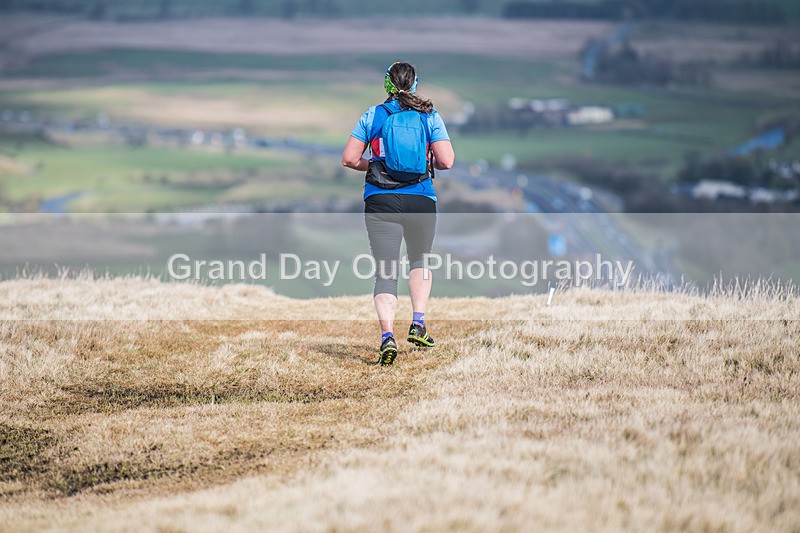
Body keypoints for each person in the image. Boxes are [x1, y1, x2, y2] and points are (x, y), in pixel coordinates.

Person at [341, 61, 455, 366]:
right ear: (415, 84)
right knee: (420, 260)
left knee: (386, 271)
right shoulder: (430, 115)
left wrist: (377, 164)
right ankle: (418, 323)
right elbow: (446, 162)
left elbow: (350, 159)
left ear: (387, 85)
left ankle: (387, 337)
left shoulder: (373, 115)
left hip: (381, 201)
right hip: (420, 199)